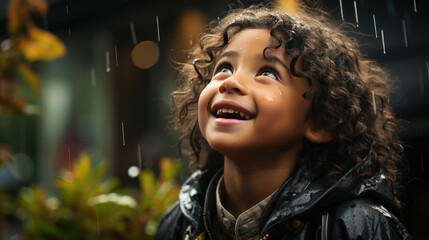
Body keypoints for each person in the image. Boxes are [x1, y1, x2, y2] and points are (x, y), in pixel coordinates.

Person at [155, 3, 411, 240]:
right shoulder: (178, 224)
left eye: (267, 72)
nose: (230, 82)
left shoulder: (359, 226)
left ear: (321, 122)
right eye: (224, 67)